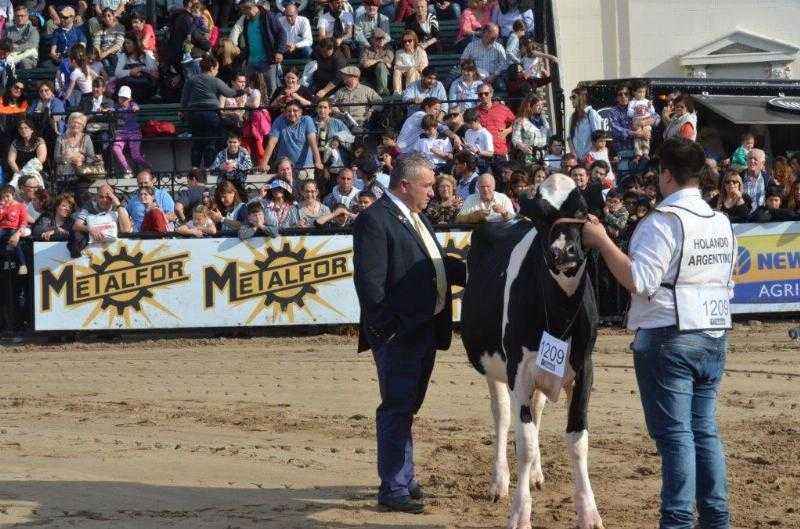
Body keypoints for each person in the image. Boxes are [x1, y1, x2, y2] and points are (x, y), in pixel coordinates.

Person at [582, 137, 734, 529]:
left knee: (676, 437)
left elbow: (639, 280)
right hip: (713, 332)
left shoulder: (662, 222)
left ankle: (678, 522)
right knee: (703, 431)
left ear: (666, 175)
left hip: (668, 334)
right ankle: (716, 519)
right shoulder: (721, 221)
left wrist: (601, 241)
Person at [352, 153, 466, 514]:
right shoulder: (375, 220)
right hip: (400, 333)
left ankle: (404, 476)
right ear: (404, 185)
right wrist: (387, 329)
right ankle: (394, 487)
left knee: (407, 406)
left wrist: (474, 270)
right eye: (427, 185)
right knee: (397, 407)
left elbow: (433, 265)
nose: (433, 191)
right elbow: (370, 285)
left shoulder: (416, 217)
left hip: (424, 329)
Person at [180, 55, 244, 168]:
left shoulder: (191, 80)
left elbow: (184, 99)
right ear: (212, 68)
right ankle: (209, 169)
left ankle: (194, 169)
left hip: (194, 115)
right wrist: (242, 92)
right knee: (210, 143)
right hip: (211, 114)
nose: (217, 71)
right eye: (217, 69)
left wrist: (183, 113)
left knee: (197, 143)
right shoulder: (215, 81)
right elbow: (229, 93)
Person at [228, 0, 286, 93]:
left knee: (270, 89)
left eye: (243, 10)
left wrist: (280, 51)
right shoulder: (247, 20)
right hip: (251, 61)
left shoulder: (268, 16)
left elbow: (281, 33)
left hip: (267, 61)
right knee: (249, 90)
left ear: (249, 8)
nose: (242, 13)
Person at [263, 101, 323, 180]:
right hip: (285, 168)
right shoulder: (279, 121)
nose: (292, 113)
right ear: (284, 112)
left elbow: (313, 143)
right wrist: (264, 163)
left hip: (304, 167)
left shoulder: (307, 120)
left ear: (301, 112)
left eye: (295, 111)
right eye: (289, 111)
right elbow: (271, 143)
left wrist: (318, 161)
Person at [475, 84, 514, 168]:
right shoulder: (475, 112)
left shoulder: (502, 108)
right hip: (483, 153)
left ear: (491, 94)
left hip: (500, 152)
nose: (483, 96)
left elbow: (517, 122)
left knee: (503, 180)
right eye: (480, 94)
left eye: (486, 93)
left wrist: (508, 130)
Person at [110, 85, 147, 177]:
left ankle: (148, 167)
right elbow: (111, 109)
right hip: (121, 133)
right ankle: (127, 169)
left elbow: (136, 107)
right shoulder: (116, 106)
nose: (122, 100)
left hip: (134, 132)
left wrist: (135, 108)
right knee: (115, 148)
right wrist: (106, 110)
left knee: (136, 156)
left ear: (129, 98)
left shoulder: (132, 104)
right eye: (121, 98)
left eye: (125, 98)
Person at [113, 31, 159, 101]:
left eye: (128, 43)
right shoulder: (123, 56)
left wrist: (141, 69)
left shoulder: (146, 55)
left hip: (144, 86)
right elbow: (117, 73)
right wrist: (131, 72)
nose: (126, 45)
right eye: (125, 43)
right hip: (129, 86)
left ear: (135, 44)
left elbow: (153, 71)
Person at [460, 24, 507, 90]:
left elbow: (504, 63)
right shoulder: (472, 46)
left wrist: (494, 75)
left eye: (496, 37)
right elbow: (463, 61)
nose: (495, 39)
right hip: (475, 76)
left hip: (492, 77)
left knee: (502, 87)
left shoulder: (498, 47)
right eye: (493, 37)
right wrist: (474, 73)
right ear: (485, 33)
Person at [511, 93, 549, 165]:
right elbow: (515, 139)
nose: (540, 107)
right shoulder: (521, 121)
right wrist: (523, 147)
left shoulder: (544, 120)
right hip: (528, 156)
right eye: (537, 105)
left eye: (542, 105)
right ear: (530, 106)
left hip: (543, 156)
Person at [0, 183, 28, 275]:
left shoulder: (20, 206)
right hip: (2, 229)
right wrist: (2, 211)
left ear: (13, 195)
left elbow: (24, 221)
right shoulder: (2, 206)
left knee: (14, 239)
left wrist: (19, 231)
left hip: (14, 229)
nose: (5, 199)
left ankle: (22, 264)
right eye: (3, 197)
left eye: (7, 196)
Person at [7, 119, 47, 185]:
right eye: (21, 128)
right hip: (19, 171)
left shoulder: (39, 141)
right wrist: (19, 173)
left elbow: (41, 159)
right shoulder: (15, 143)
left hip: (35, 171)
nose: (23, 130)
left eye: (26, 128)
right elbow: (11, 160)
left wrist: (27, 171)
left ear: (32, 130)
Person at [568, 86, 602, 160]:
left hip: (591, 158)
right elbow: (570, 139)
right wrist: (574, 155)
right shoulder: (573, 117)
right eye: (571, 97)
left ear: (581, 97)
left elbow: (598, 137)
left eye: (574, 97)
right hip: (577, 159)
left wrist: (588, 155)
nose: (571, 100)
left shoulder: (591, 113)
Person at [627, 79, 657, 160]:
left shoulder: (647, 101)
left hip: (647, 120)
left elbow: (653, 113)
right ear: (634, 92)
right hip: (636, 121)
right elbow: (629, 113)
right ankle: (638, 154)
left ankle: (646, 152)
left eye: (644, 92)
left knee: (646, 137)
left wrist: (650, 106)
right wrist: (634, 111)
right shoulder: (632, 102)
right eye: (639, 92)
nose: (642, 94)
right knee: (637, 137)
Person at [359, 28, 394, 96]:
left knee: (380, 66)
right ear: (372, 39)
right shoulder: (366, 49)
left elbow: (388, 60)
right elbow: (364, 63)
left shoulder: (388, 48)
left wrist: (373, 61)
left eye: (382, 38)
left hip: (386, 78)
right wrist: (380, 60)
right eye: (378, 38)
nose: (381, 40)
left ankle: (382, 90)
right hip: (370, 78)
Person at [393, 30, 428, 95]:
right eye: (405, 41)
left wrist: (410, 68)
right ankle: (397, 92)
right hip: (403, 76)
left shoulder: (421, 51)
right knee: (397, 71)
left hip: (418, 76)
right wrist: (412, 67)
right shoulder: (399, 52)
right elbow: (397, 67)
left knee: (412, 70)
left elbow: (424, 67)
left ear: (414, 41)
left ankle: (409, 91)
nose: (407, 43)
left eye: (409, 41)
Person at [6, 5, 39, 70]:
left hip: (28, 58)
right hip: (10, 55)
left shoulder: (33, 30)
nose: (20, 18)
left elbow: (32, 45)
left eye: (22, 16)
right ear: (14, 17)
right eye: (18, 16)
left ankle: (24, 80)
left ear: (27, 16)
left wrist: (15, 47)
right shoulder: (9, 30)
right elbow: (5, 44)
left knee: (24, 62)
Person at [741, 148, 768, 212]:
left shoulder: (769, 180)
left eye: (755, 159)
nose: (752, 161)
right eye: (750, 158)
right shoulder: (738, 177)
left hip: (760, 218)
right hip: (742, 217)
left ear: (763, 163)